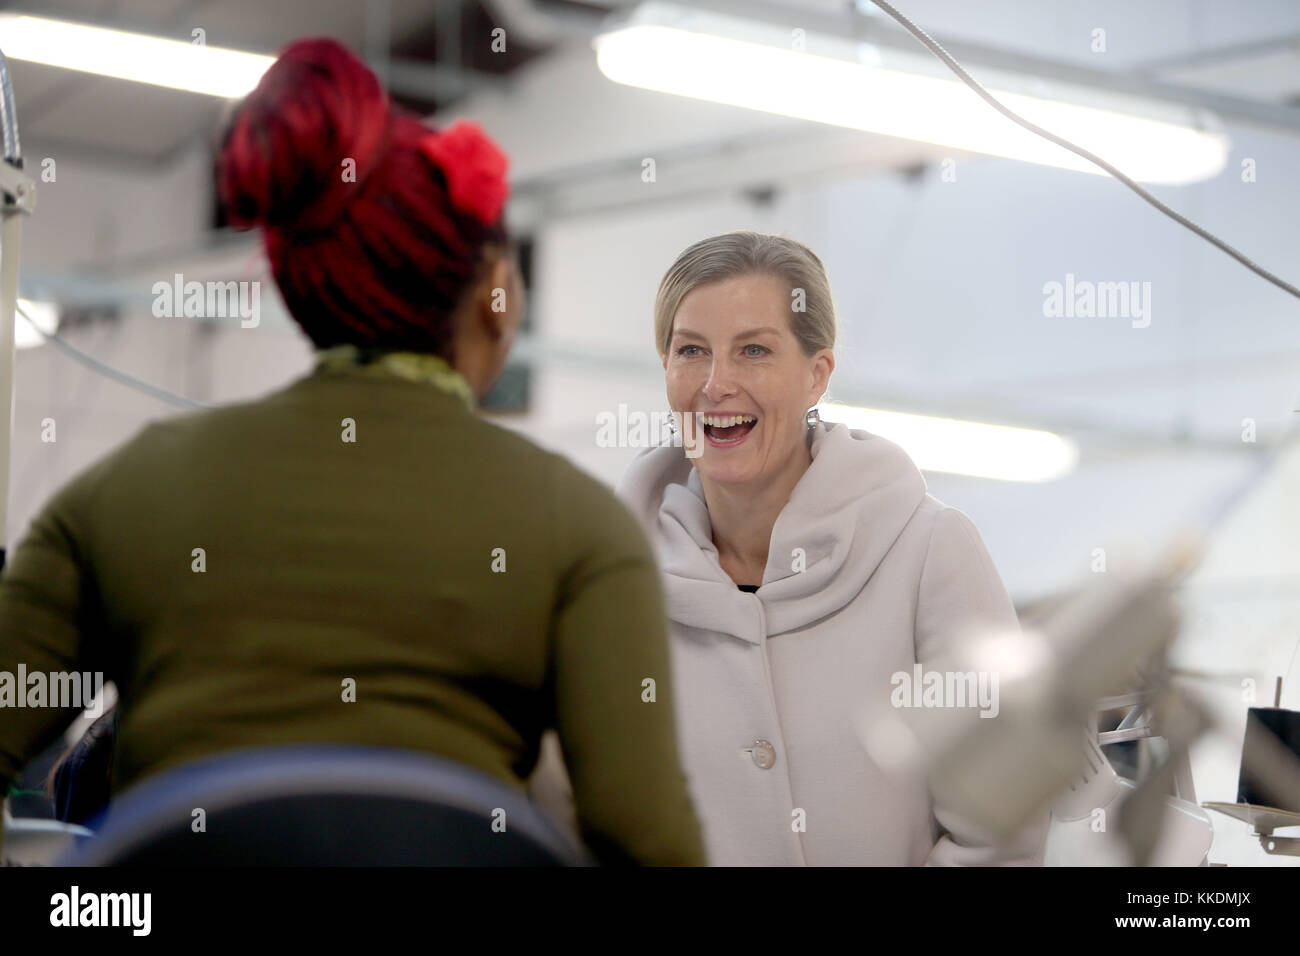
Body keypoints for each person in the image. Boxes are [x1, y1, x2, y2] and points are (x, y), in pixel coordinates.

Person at [0, 37, 704, 866]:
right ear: (495, 297)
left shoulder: (125, 491)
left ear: (301, 282)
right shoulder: (577, 523)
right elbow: (643, 836)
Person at [618, 230, 1049, 865]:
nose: (716, 384)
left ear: (817, 375)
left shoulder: (928, 552)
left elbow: (1003, 828)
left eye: (754, 350)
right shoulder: (612, 577)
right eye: (691, 351)